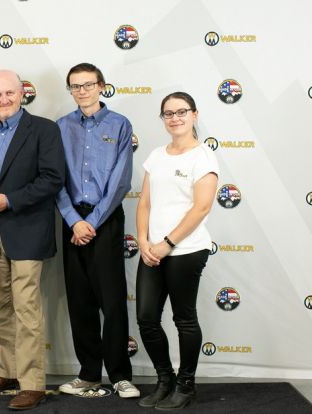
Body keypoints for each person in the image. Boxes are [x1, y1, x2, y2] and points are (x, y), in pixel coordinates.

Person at [0, 70, 65, 411]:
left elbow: (52, 178)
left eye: (9, 93)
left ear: (22, 92)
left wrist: (10, 200)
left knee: (26, 308)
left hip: (27, 229)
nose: (4, 100)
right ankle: (8, 371)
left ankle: (32, 383)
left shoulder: (44, 129)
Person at [55, 63, 140, 398]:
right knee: (80, 301)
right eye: (75, 86)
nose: (82, 91)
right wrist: (73, 219)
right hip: (72, 221)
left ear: (101, 86)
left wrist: (91, 222)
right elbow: (56, 178)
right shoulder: (61, 126)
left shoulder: (120, 124)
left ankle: (120, 375)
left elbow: (121, 180)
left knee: (112, 300)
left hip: (104, 220)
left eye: (88, 85)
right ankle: (89, 374)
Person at [135, 92, 219, 410]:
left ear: (194, 115)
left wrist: (167, 244)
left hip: (186, 250)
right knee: (146, 318)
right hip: (152, 251)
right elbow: (145, 202)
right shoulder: (156, 155)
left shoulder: (203, 157)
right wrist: (143, 241)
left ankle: (186, 385)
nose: (175, 118)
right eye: (168, 113)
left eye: (181, 112)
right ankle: (165, 380)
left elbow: (201, 208)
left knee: (184, 319)